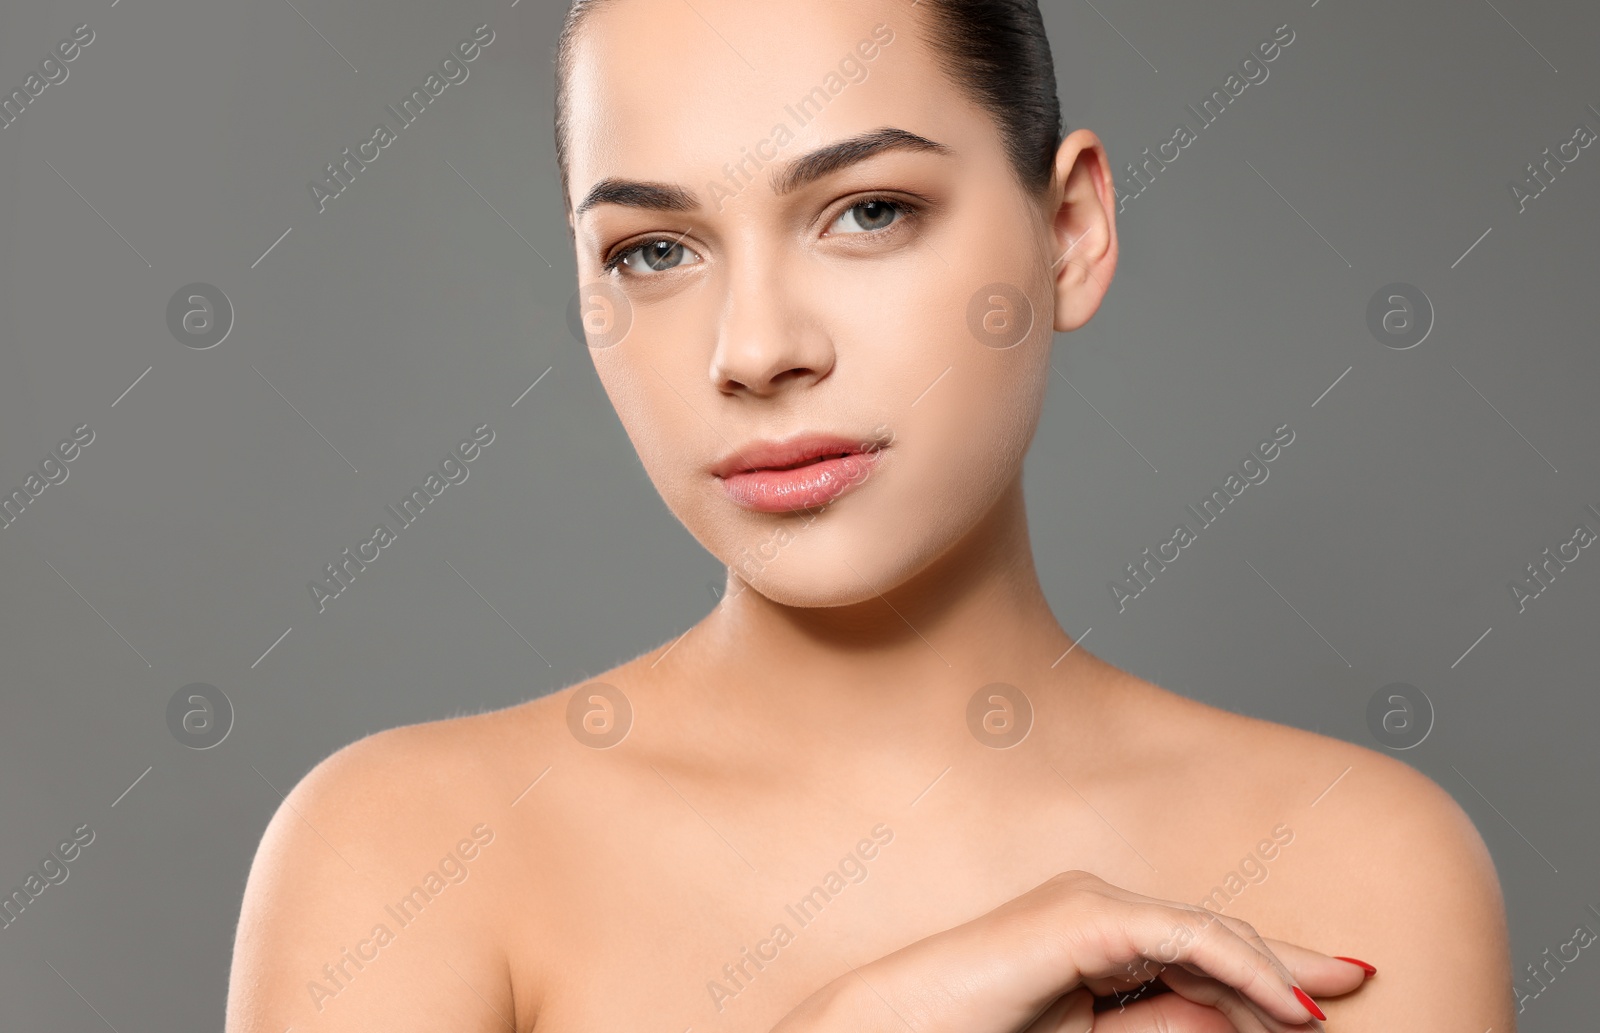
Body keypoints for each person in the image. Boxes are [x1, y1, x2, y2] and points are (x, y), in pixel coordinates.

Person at [226, 0, 1516, 1029]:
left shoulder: (1356, 866)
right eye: (653, 250)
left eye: (868, 211)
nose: (756, 348)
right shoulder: (405, 859)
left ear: (1067, 231)